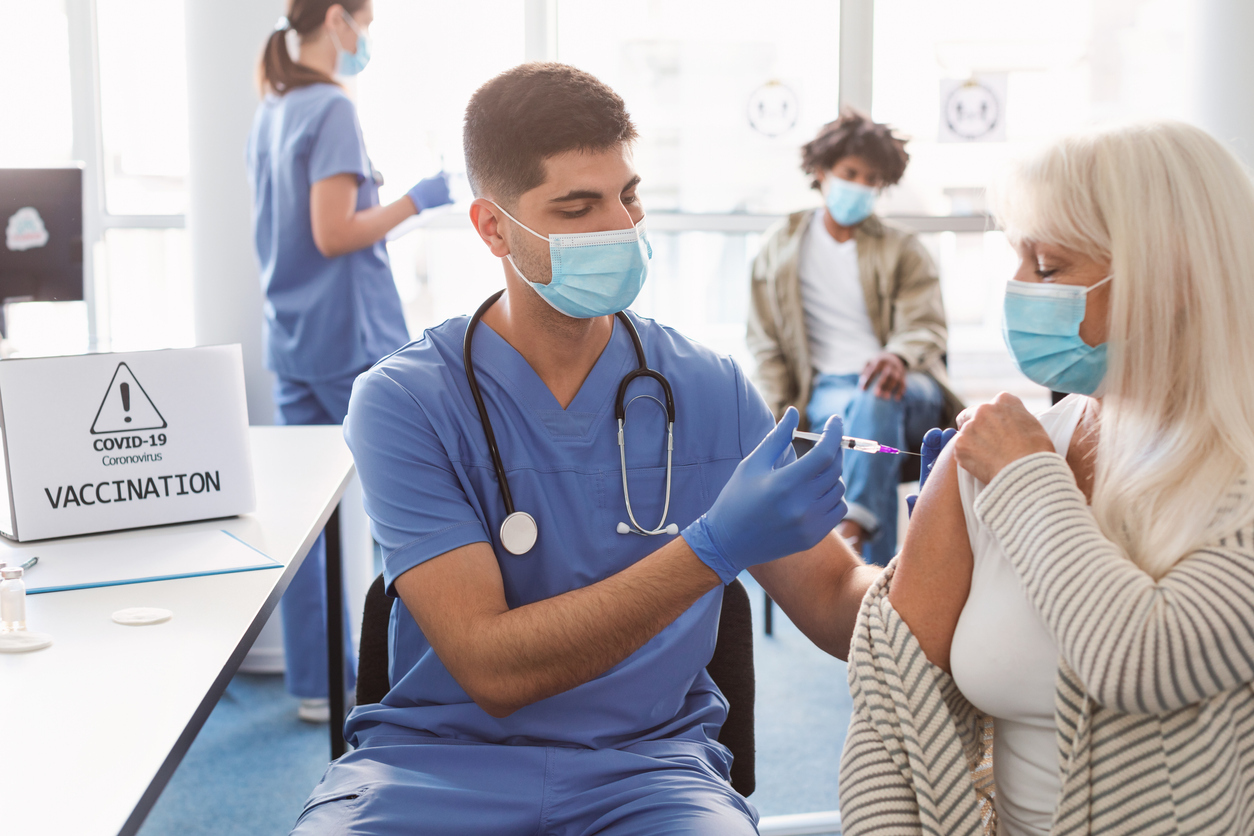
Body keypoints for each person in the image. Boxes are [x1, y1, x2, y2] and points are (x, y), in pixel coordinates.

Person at [290, 63, 882, 835]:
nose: (619, 227)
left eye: (627, 195)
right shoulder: (404, 402)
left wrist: (954, 532)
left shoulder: (707, 389)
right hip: (430, 770)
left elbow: (839, 605)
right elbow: (493, 669)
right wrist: (713, 547)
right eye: (577, 207)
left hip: (652, 772)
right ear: (492, 227)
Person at [840, 121, 1254, 835]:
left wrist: (1029, 480)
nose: (1019, 290)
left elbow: (1141, 662)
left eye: (1051, 267)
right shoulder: (998, 453)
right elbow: (890, 705)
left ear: (1175, 278)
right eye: (1018, 260)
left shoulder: (1021, 462)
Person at [247, 0, 453, 723]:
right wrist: (416, 201)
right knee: (415, 505)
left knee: (306, 515)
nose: (365, 39)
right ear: (338, 18)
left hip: (295, 337)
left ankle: (318, 682)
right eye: (365, 22)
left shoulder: (273, 104)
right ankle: (423, 678)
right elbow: (335, 233)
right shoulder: (329, 107)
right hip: (348, 338)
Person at [748, 109, 963, 565]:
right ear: (821, 171)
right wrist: (770, 421)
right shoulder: (779, 249)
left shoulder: (902, 249)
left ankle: (854, 528)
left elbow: (926, 326)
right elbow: (765, 344)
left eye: (872, 179)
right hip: (827, 393)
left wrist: (897, 357)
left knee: (879, 391)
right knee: (864, 418)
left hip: (910, 388)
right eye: (850, 173)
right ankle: (880, 575)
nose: (859, 186)